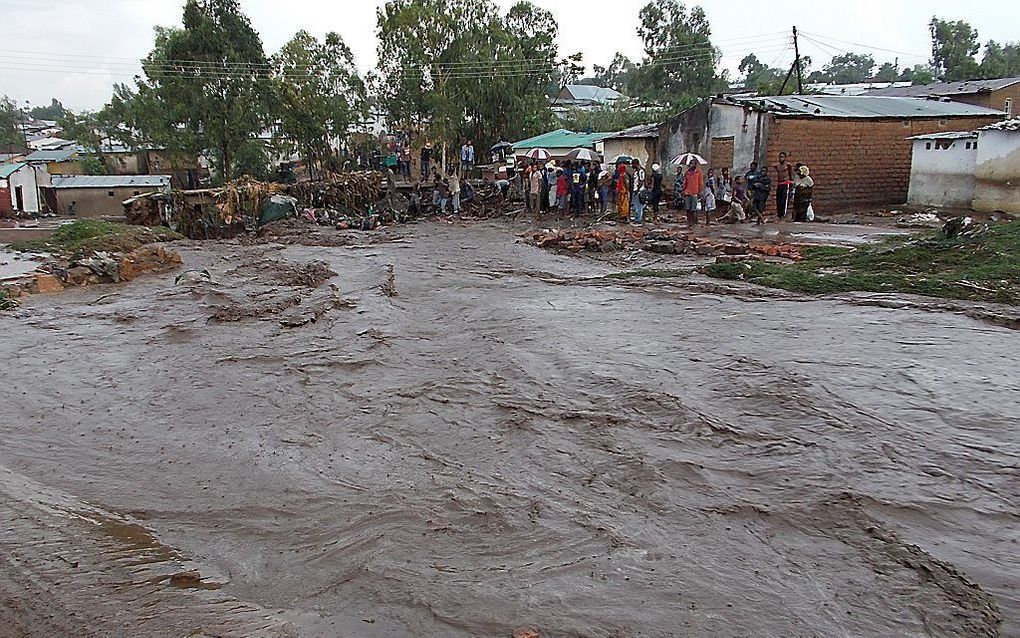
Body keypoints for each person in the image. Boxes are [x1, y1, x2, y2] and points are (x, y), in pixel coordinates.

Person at [681, 160, 704, 225]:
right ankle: (689, 222)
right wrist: (683, 190)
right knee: (687, 209)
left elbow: (700, 183)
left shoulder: (698, 173)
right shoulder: (687, 173)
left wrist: (700, 192)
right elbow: (685, 182)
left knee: (694, 209)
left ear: (695, 165)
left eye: (692, 164)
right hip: (687, 192)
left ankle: (694, 222)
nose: (690, 165)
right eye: (690, 164)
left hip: (695, 193)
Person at [775, 152, 794, 220]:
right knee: (779, 199)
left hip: (786, 183)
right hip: (780, 183)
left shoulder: (788, 165)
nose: (781, 158)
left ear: (785, 158)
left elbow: (791, 174)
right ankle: (779, 214)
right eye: (780, 157)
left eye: (782, 157)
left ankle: (783, 214)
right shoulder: (777, 166)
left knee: (784, 200)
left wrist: (791, 183)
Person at [630, 159, 647, 224]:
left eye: (632, 164)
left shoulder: (641, 171)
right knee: (637, 206)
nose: (632, 165)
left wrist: (637, 190)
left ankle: (638, 220)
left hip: (639, 191)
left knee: (638, 206)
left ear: (635, 164)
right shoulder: (636, 172)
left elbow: (641, 181)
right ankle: (638, 218)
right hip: (636, 190)